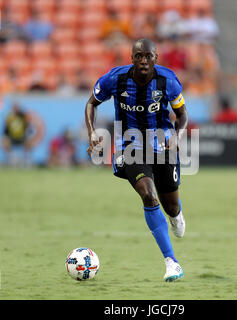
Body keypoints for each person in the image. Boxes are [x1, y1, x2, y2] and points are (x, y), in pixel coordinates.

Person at [84, 39, 187, 282]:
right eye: (138, 56)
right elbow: (91, 103)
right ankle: (171, 262)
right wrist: (91, 132)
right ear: (131, 58)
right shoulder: (114, 79)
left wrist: (177, 137)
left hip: (162, 143)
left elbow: (182, 115)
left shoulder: (168, 81)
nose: (143, 60)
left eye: (148, 56)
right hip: (129, 145)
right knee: (148, 195)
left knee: (170, 204)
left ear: (155, 58)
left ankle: (175, 215)